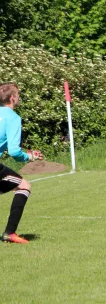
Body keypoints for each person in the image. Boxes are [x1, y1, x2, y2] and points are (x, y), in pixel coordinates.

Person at [0, 82, 44, 244]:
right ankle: (10, 233)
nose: (19, 98)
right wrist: (29, 157)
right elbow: (14, 151)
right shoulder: (13, 118)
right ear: (12, 98)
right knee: (24, 186)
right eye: (17, 95)